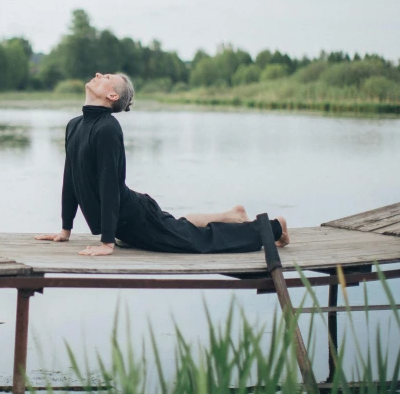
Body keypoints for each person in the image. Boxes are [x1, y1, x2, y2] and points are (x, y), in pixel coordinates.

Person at [34, 72, 290, 257]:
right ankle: (232, 215)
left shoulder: (107, 128)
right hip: (129, 222)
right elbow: (71, 179)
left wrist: (107, 243)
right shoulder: (74, 125)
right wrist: (65, 229)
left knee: (199, 242)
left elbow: (109, 186)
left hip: (136, 218)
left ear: (112, 95)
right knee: (178, 227)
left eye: (107, 77)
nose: (99, 74)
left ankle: (274, 227)